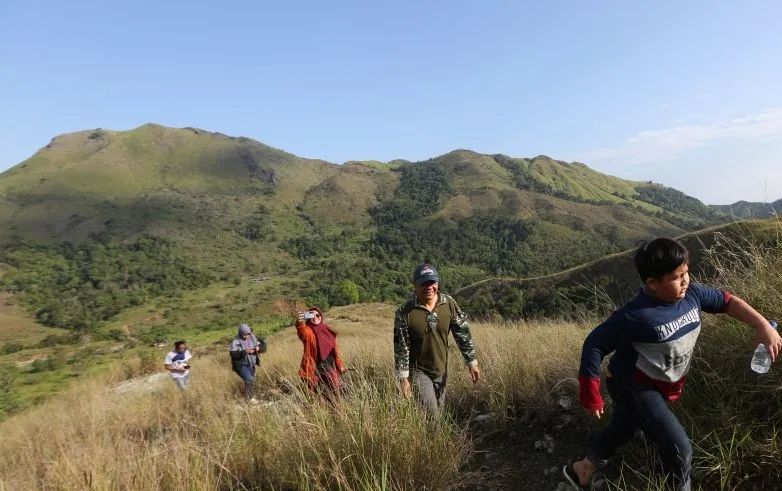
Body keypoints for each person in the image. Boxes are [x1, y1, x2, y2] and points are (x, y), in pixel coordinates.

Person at [564, 238, 782, 491]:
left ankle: (584, 468)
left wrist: (762, 325)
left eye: (686, 272)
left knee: (626, 424)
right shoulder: (637, 315)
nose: (686, 280)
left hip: (663, 382)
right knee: (680, 449)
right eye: (677, 277)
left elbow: (726, 301)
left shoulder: (693, 295)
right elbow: (595, 344)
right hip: (633, 385)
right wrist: (591, 395)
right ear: (652, 283)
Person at [393, 263, 481, 415]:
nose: (429, 287)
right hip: (419, 371)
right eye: (423, 283)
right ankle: (437, 437)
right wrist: (404, 378)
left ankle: (430, 439)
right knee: (432, 414)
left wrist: (471, 362)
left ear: (437, 283)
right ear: (415, 285)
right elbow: (401, 346)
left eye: (432, 282)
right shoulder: (405, 312)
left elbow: (462, 333)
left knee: (439, 411)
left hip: (441, 369)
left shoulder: (448, 303)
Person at [296, 307, 347, 399]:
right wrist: (300, 322)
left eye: (317, 315)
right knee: (315, 394)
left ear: (321, 317)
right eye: (311, 315)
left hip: (330, 366)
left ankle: (336, 410)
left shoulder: (326, 329)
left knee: (335, 391)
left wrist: (340, 365)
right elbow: (302, 333)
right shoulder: (308, 330)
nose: (315, 317)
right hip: (314, 367)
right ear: (308, 317)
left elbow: (334, 351)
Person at [229, 323, 265, 404]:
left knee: (251, 380)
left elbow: (263, 347)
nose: (247, 336)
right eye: (244, 335)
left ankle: (249, 396)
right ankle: (250, 399)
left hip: (251, 364)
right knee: (249, 379)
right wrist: (245, 351)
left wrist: (258, 348)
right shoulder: (235, 342)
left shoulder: (253, 338)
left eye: (248, 334)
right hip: (241, 365)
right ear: (240, 333)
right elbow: (233, 355)